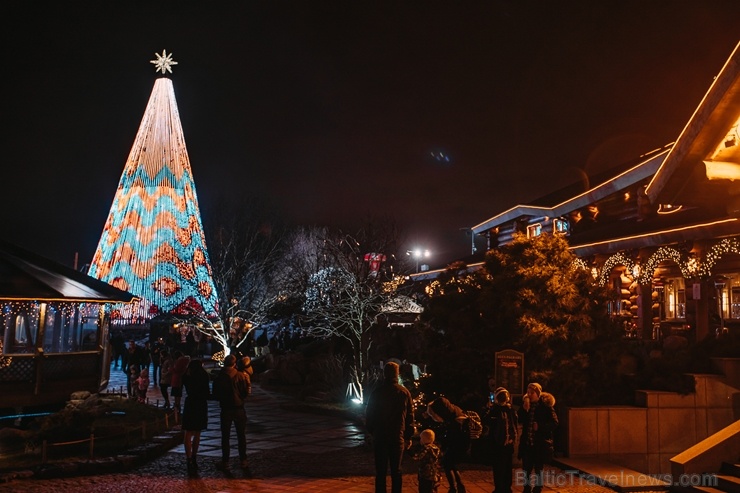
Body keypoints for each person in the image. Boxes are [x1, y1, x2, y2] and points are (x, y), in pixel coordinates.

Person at [365, 361, 415, 493]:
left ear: (384, 374)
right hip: (397, 435)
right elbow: (410, 416)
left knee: (380, 471)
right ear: (397, 374)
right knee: (396, 470)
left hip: (380, 435)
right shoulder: (404, 393)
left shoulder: (377, 392)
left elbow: (369, 414)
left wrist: (371, 431)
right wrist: (408, 436)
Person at [212, 354, 251, 472]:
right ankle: (243, 460)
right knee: (241, 435)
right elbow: (245, 392)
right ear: (234, 364)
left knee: (225, 436)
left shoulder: (220, 376)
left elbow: (215, 394)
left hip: (226, 409)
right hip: (239, 408)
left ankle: (226, 462)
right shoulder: (240, 375)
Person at [517, 383, 558, 493]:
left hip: (539, 443)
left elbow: (554, 423)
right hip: (527, 442)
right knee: (526, 468)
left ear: (538, 393)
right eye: (528, 392)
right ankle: (526, 488)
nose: (530, 395)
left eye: (532, 393)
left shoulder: (545, 406)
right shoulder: (527, 405)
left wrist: (540, 426)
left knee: (538, 468)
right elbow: (519, 418)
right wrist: (524, 406)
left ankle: (538, 488)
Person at [426, 396, 470, 493]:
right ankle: (460, 487)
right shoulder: (454, 412)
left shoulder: (455, 420)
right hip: (460, 444)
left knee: (447, 464)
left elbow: (452, 437)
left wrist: (443, 445)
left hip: (458, 444)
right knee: (452, 465)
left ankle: (453, 488)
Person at [483, 387, 518, 493]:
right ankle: (501, 488)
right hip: (500, 444)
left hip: (505, 444)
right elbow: (487, 421)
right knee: (501, 468)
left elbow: (514, 424)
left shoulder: (507, 409)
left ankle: (504, 488)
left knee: (505, 467)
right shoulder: (498, 410)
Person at [181, 358, 211, 474]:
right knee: (197, 432)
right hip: (201, 404)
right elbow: (207, 392)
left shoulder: (186, 376)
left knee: (188, 432)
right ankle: (194, 456)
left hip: (190, 403)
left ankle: (188, 458)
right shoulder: (203, 376)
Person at [413, 428, 442, 493]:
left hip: (425, 474)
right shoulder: (436, 448)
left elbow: (419, 457)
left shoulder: (425, 449)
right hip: (434, 474)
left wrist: (412, 454)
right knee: (432, 489)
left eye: (421, 438)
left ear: (424, 440)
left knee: (424, 489)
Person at [171, 350, 191, 417]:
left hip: (177, 378)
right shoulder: (186, 360)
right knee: (178, 392)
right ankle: (177, 405)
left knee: (176, 392)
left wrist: (170, 369)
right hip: (181, 378)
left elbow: (176, 370)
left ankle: (177, 405)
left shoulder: (179, 362)